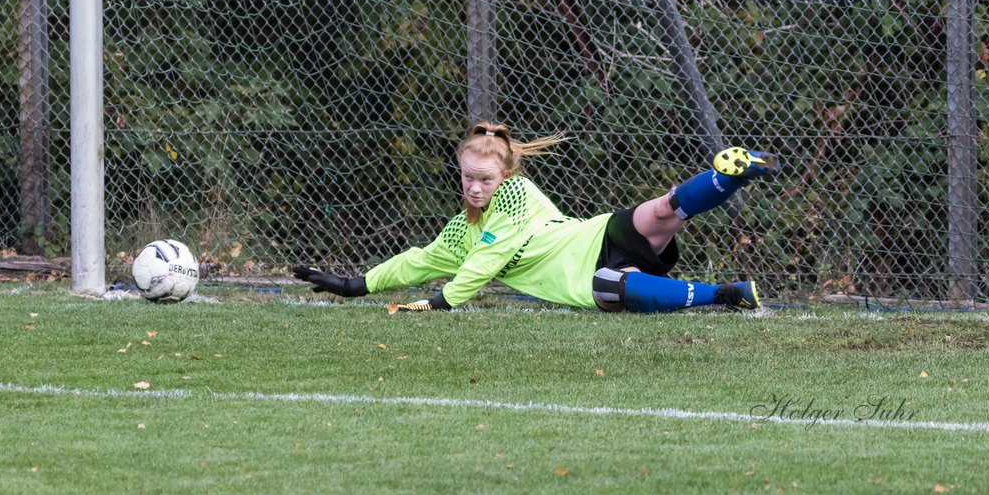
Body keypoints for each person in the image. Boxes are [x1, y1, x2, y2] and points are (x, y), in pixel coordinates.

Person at [292, 122, 778, 313]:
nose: (475, 187)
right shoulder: (463, 230)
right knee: (614, 287)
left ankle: (734, 172)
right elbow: (420, 260)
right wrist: (354, 285)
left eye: (485, 178)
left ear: (505, 172)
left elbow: (487, 261)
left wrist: (444, 301)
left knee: (665, 209)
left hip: (593, 237)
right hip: (587, 277)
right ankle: (725, 294)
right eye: (467, 178)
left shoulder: (517, 195)